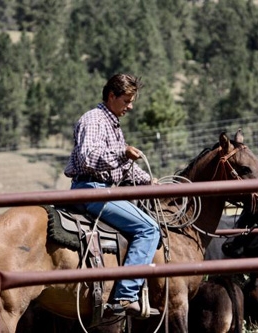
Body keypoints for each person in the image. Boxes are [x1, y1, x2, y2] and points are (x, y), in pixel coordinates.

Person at [64, 73, 161, 317]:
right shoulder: (94, 120)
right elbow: (88, 158)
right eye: (127, 100)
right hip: (93, 190)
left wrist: (149, 180)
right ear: (111, 96)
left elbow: (124, 168)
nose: (130, 106)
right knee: (149, 229)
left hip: (99, 189)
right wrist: (122, 153)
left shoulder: (111, 124)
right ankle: (125, 297)